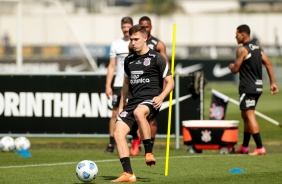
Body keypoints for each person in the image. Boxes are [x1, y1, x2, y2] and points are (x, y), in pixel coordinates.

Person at [111, 24, 174, 182]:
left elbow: (170, 82)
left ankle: (148, 152)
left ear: (145, 38)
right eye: (131, 39)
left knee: (140, 112)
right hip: (132, 102)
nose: (133, 42)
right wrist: (121, 106)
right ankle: (128, 173)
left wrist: (162, 96)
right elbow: (126, 84)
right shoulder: (129, 60)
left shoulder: (156, 58)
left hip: (151, 100)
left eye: (136, 39)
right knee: (118, 132)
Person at [228, 24, 279, 156]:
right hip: (257, 87)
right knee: (245, 115)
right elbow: (268, 63)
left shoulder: (242, 50)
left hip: (247, 87)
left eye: (237, 34)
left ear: (243, 34)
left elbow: (235, 70)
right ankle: (245, 146)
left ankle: (260, 147)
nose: (235, 36)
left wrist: (231, 66)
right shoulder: (258, 48)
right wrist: (272, 83)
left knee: (249, 116)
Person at [129, 16, 169, 156]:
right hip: (137, 85)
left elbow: (166, 66)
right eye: (141, 25)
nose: (144, 27)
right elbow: (131, 65)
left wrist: (163, 91)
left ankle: (149, 146)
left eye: (146, 26)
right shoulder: (133, 43)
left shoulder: (158, 44)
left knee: (150, 118)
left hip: (154, 85)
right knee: (135, 115)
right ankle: (136, 140)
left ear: (150, 27)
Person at [104, 16, 133, 153]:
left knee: (135, 113)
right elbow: (111, 65)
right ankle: (111, 143)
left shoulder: (136, 43)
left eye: (128, 27)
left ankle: (133, 141)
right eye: (124, 27)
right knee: (115, 113)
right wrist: (108, 85)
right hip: (118, 84)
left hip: (133, 84)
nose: (126, 30)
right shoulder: (116, 44)